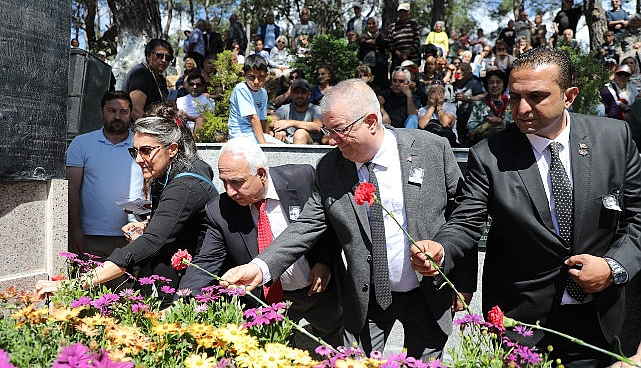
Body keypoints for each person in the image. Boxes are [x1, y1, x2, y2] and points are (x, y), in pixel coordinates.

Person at [411, 47, 641, 367]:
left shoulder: (615, 137)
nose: (521, 108)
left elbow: (637, 218)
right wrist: (441, 247)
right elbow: (466, 218)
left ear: (569, 96)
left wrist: (613, 266)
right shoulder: (489, 154)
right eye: (514, 97)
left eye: (537, 96)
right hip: (521, 325)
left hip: (599, 320)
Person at [220, 78, 471, 361]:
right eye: (327, 130)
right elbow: (307, 225)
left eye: (338, 130)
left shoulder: (432, 150)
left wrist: (462, 279)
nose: (330, 139)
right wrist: (261, 267)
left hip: (427, 294)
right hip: (367, 300)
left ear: (371, 122)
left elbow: (463, 216)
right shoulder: (330, 168)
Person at [37, 105, 219, 307]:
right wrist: (147, 223)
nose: (139, 160)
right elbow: (176, 218)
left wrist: (74, 284)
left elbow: (152, 241)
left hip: (193, 284)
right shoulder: (175, 169)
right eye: (135, 151)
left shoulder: (185, 185)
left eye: (146, 151)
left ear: (173, 149)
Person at [178, 139, 343, 347]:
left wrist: (325, 261)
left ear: (261, 174)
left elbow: (331, 222)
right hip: (267, 302)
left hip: (318, 291)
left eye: (237, 182)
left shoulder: (302, 179)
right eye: (224, 182)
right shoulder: (220, 210)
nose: (229, 191)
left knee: (339, 345)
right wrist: (180, 302)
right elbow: (206, 262)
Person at [66, 91, 144, 266]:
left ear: (131, 114)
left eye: (123, 111)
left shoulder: (142, 146)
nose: (117, 116)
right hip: (90, 237)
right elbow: (71, 189)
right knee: (89, 291)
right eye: (111, 111)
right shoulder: (82, 144)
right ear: (101, 112)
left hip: (133, 235)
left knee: (128, 293)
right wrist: (75, 230)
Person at [227, 54, 278, 144]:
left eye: (261, 77)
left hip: (254, 135)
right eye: (252, 77)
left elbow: (263, 119)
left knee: (281, 146)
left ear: (266, 75)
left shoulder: (263, 93)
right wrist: (263, 143)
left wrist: (267, 136)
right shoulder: (241, 88)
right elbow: (253, 117)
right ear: (244, 74)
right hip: (240, 135)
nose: (256, 82)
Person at [121, 39, 174, 121]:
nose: (164, 60)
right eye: (159, 55)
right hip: (142, 130)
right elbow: (136, 112)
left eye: (168, 57)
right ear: (149, 55)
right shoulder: (142, 73)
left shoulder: (160, 79)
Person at [466, 69, 513, 145]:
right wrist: (487, 124)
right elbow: (470, 126)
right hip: (484, 142)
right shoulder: (480, 103)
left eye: (498, 82)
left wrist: (503, 123)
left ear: (504, 84)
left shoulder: (511, 103)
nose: (494, 85)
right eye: (491, 83)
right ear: (486, 85)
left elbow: (518, 125)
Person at [272, 78, 323, 144]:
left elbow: (317, 126)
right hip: (288, 143)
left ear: (309, 94)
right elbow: (270, 120)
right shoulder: (285, 108)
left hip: (311, 146)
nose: (299, 95)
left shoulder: (316, 109)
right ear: (291, 94)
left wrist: (292, 123)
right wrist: (279, 130)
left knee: (300, 133)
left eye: (303, 92)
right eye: (296, 92)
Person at [452, 62, 486, 146]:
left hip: (468, 116)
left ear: (470, 74)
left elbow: (482, 96)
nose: (458, 72)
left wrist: (467, 99)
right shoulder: (453, 84)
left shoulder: (474, 83)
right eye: (457, 69)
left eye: (462, 70)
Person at [387, 3, 421, 73]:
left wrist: (407, 53)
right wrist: (399, 54)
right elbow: (390, 43)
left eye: (405, 11)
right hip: (397, 60)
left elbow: (417, 41)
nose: (402, 13)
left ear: (409, 13)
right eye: (400, 11)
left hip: (412, 59)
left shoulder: (413, 25)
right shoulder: (392, 27)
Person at [359, 17, 390, 90]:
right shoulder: (363, 35)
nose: (371, 25)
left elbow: (385, 44)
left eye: (373, 23)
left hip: (381, 67)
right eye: (369, 24)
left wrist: (374, 42)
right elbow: (363, 44)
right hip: (368, 67)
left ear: (377, 24)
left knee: (382, 88)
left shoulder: (382, 34)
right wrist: (377, 43)